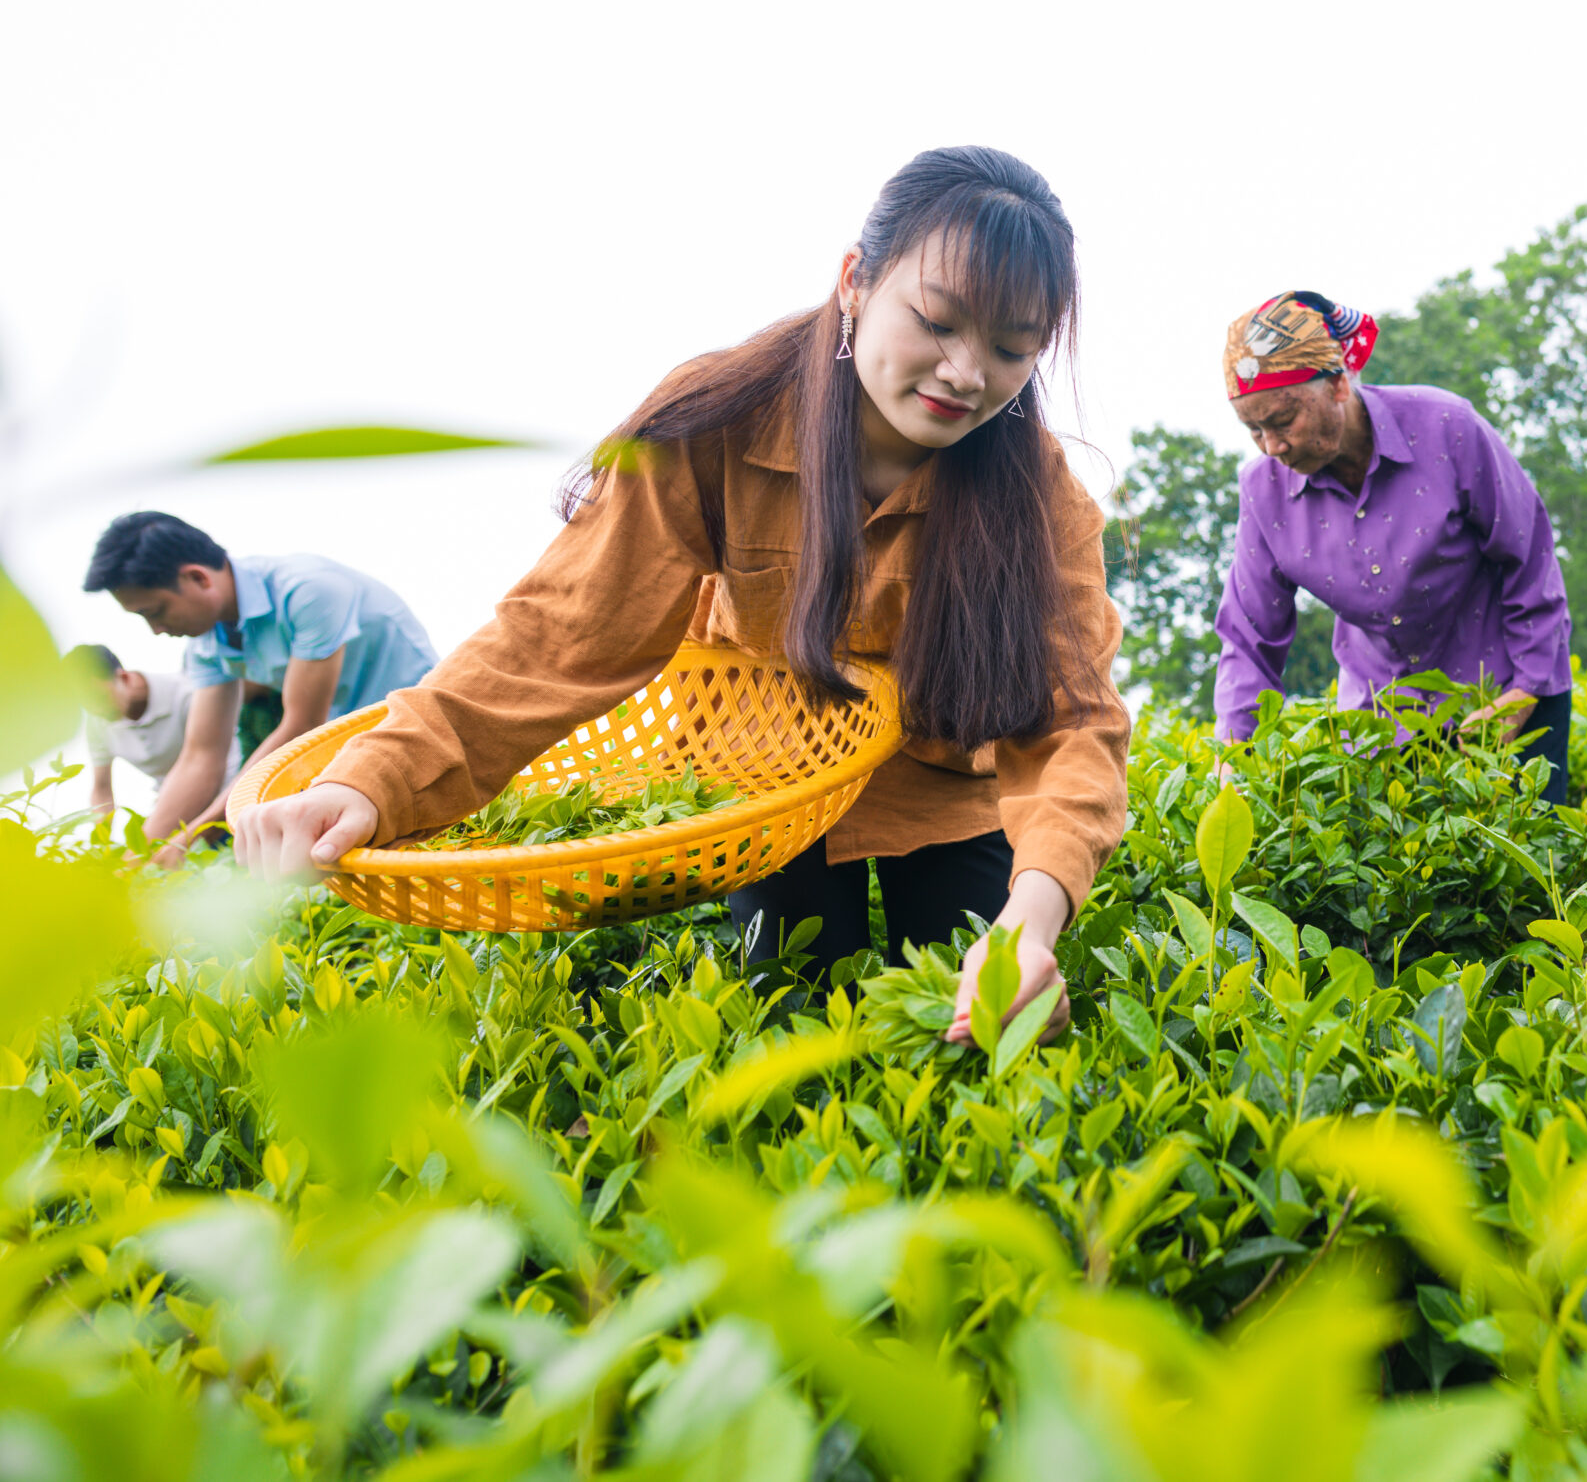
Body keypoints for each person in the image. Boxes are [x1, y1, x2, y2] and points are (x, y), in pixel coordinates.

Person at [233, 146, 1128, 1044]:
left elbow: (1072, 724)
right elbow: (560, 634)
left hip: (947, 793)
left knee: (990, 1041)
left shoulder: (1041, 496)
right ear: (857, 280)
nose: (967, 373)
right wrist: (374, 780)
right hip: (776, 789)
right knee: (796, 1036)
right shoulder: (721, 420)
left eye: (1013, 348)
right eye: (938, 321)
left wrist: (1033, 918)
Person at [1213, 291, 1575, 800]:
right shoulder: (1263, 492)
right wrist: (1233, 759)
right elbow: (1248, 639)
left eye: (1282, 421)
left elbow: (1529, 558)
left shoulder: (1447, 428)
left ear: (1338, 382)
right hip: (1382, 731)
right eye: (1253, 430)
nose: (1273, 447)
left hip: (1506, 693)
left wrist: (1521, 695)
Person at [83, 511, 437, 867]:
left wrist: (195, 834)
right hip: (348, 740)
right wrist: (136, 857)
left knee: (426, 851)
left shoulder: (309, 590)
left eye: (156, 611)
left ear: (197, 577)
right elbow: (201, 757)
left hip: (416, 724)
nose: (156, 629)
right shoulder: (207, 644)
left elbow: (302, 725)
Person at [66, 644, 242, 818]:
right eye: (87, 705)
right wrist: (102, 840)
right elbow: (102, 789)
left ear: (124, 677)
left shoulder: (185, 694)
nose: (98, 710)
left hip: (228, 794)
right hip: (173, 805)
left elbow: (208, 764)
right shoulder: (98, 723)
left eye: (100, 698)